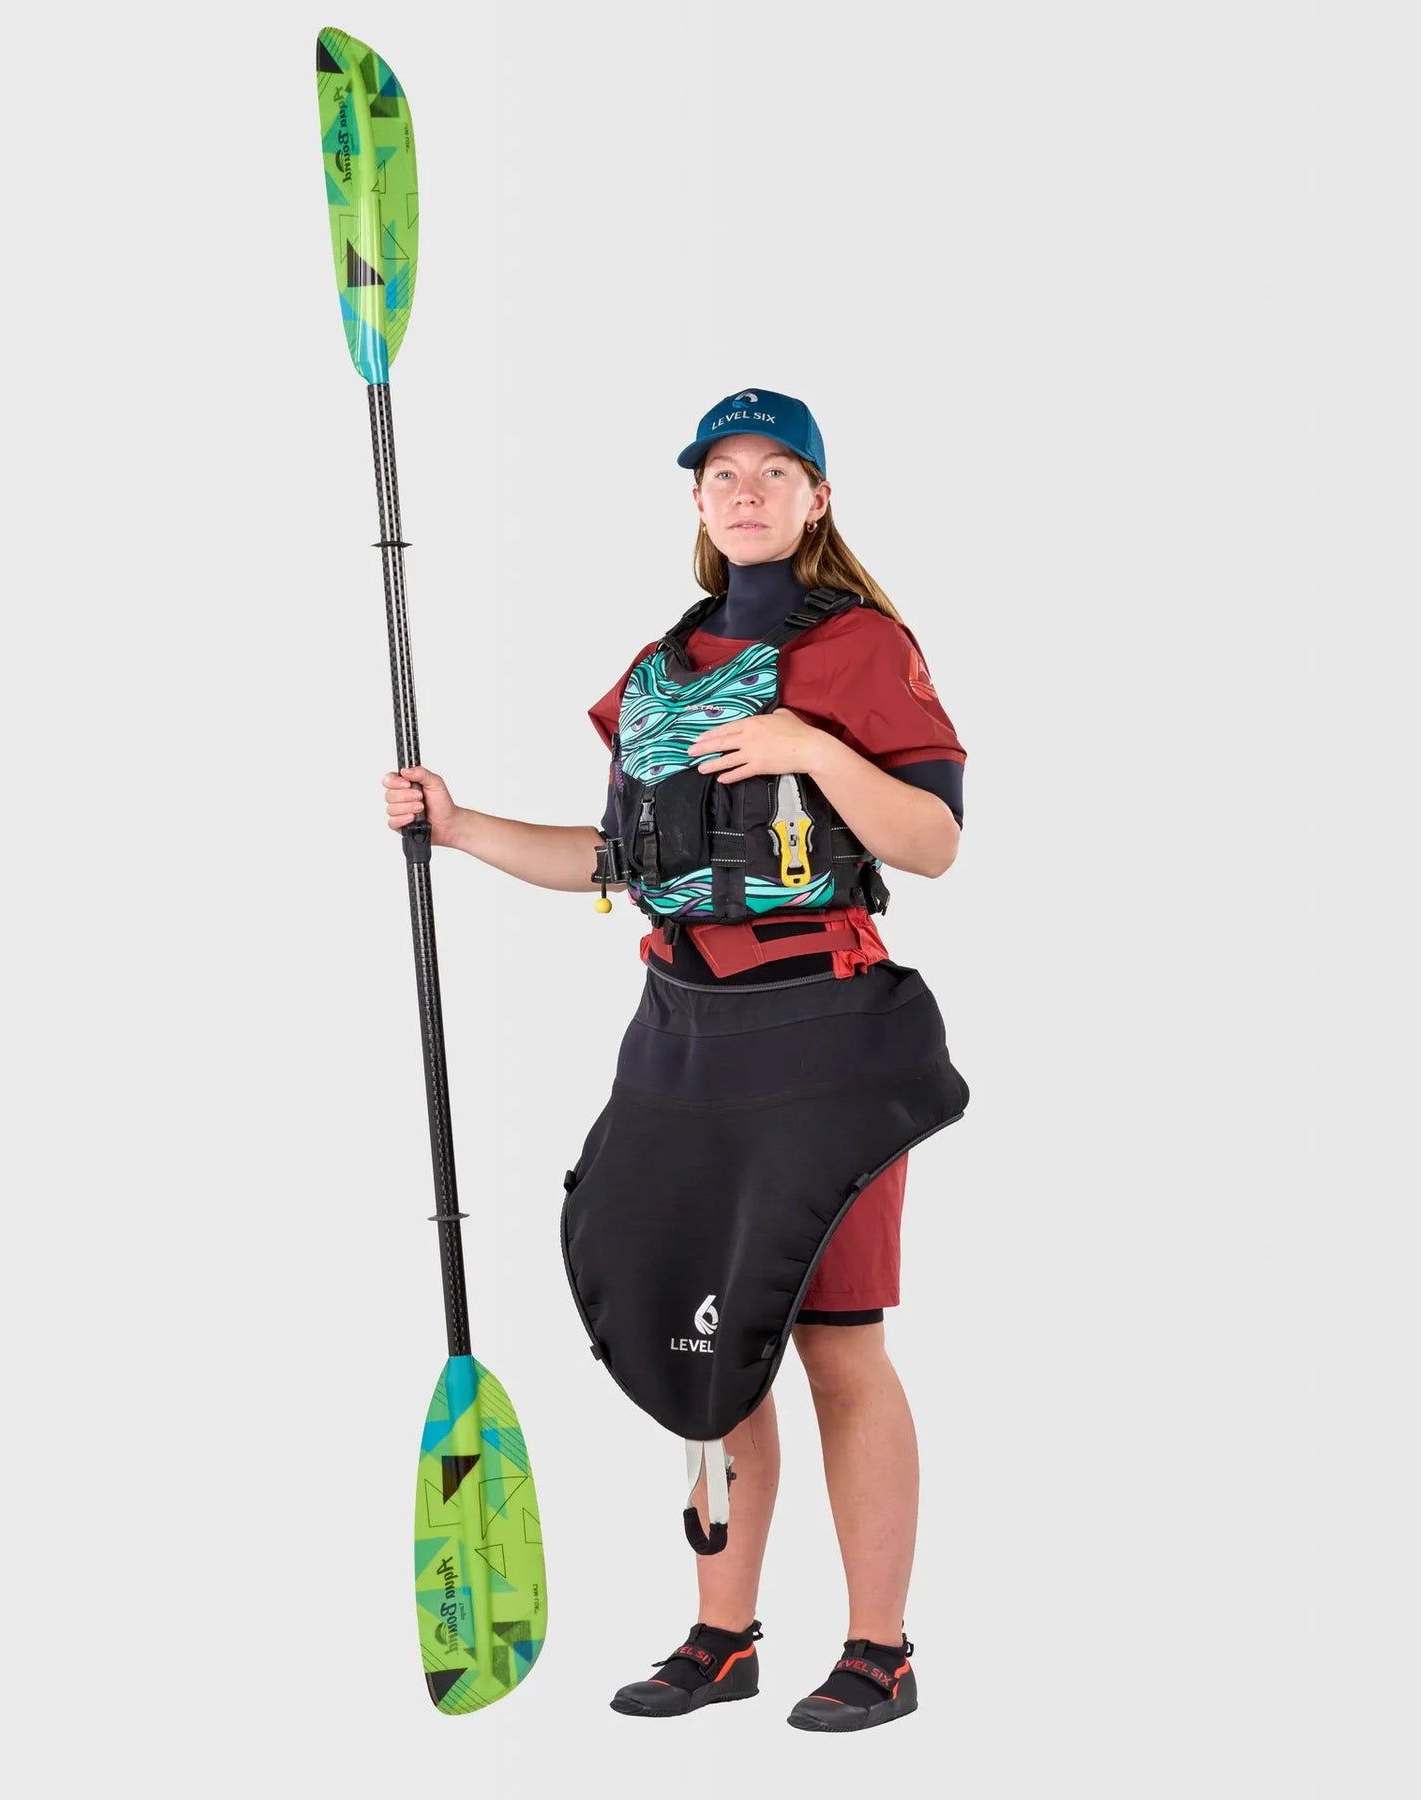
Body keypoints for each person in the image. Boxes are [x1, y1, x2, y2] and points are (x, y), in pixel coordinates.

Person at [381, 387, 967, 1732]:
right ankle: (722, 1636)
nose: (746, 492)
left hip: (824, 1039)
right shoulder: (662, 667)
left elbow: (933, 843)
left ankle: (879, 1651)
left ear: (818, 498)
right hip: (683, 1041)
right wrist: (459, 827)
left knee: (838, 1346)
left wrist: (808, 748)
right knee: (710, 1347)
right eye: (723, 474)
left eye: (775, 472)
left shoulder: (861, 647)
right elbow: (620, 861)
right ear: (698, 499)